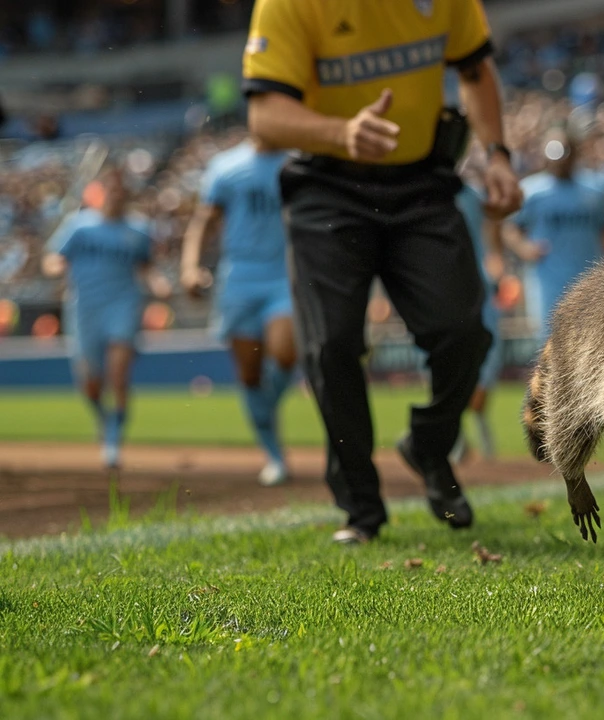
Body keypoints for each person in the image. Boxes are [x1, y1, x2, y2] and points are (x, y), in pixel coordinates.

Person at [243, 0, 522, 544]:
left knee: (464, 333)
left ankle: (429, 446)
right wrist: (341, 131)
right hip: (327, 187)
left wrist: (498, 154)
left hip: (421, 181)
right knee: (331, 346)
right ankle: (362, 509)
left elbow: (474, 69)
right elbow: (265, 117)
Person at [180, 136, 296, 486]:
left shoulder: (297, 161)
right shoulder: (226, 167)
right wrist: (190, 267)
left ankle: (267, 406)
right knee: (249, 374)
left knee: (285, 353)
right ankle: (273, 454)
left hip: (284, 276)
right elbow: (204, 222)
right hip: (240, 281)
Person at [42, 168, 166, 469]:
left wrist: (158, 283)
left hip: (123, 304)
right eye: (111, 190)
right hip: (85, 308)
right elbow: (52, 258)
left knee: (119, 374)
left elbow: (146, 267)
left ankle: (113, 440)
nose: (116, 196)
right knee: (90, 383)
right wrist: (56, 267)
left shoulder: (138, 230)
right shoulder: (79, 227)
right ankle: (103, 417)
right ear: (102, 194)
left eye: (121, 191)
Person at [504, 129, 604, 342]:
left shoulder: (594, 191)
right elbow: (511, 229)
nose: (560, 162)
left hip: (588, 276)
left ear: (574, 155)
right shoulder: (532, 191)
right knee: (550, 340)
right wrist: (524, 248)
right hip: (547, 277)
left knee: (589, 339)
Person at [453, 168, 503, 462]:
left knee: (487, 354)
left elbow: (493, 223)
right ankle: (455, 435)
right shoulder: (424, 192)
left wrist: (495, 256)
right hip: (442, 289)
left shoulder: (472, 194)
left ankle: (478, 425)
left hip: (478, 287)